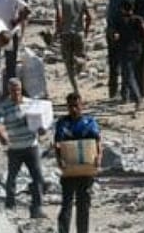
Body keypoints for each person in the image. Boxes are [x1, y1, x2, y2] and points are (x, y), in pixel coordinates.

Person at [0, 77, 46, 219]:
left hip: (31, 146)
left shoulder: (31, 103)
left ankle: (37, 207)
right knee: (12, 178)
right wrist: (2, 135)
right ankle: (10, 206)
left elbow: (40, 122)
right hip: (15, 148)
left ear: (21, 89)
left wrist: (42, 129)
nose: (16, 93)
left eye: (18, 90)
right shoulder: (4, 106)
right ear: (9, 91)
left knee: (38, 177)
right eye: (13, 90)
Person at [53, 92, 101, 233]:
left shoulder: (89, 122)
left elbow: (97, 142)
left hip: (86, 171)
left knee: (83, 206)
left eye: (76, 106)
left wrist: (99, 157)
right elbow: (57, 144)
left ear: (82, 106)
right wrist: (59, 159)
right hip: (69, 170)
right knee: (66, 205)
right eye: (70, 106)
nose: (73, 109)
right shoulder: (63, 123)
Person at [113, 0, 144, 113]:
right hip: (137, 50)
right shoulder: (138, 19)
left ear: (122, 9)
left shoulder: (119, 20)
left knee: (128, 74)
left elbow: (115, 35)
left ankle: (137, 98)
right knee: (128, 73)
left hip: (125, 50)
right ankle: (125, 96)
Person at [55, 0, 92, 94]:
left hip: (66, 34)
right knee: (81, 58)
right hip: (79, 33)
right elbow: (89, 17)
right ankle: (78, 61)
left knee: (68, 64)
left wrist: (57, 31)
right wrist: (85, 32)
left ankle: (76, 89)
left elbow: (59, 17)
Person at [105, 0, 139, 99]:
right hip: (126, 32)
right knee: (127, 64)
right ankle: (125, 93)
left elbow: (110, 13)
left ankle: (112, 92)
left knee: (113, 64)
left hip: (112, 30)